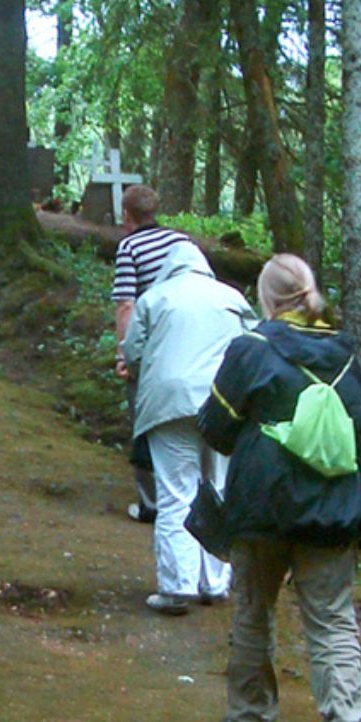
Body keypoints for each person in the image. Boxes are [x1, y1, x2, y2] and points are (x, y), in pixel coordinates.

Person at [196, 253, 361, 722]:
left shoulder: (250, 349)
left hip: (261, 506)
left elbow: (215, 425)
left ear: (267, 297)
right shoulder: (344, 353)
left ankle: (249, 719)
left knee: (253, 611)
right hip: (332, 506)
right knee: (331, 617)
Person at [121, 242, 254, 615]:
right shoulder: (232, 298)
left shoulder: (154, 297)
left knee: (176, 492)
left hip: (169, 404)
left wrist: (136, 365)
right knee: (218, 488)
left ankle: (177, 586)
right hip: (223, 402)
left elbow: (132, 351)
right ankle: (214, 583)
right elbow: (254, 345)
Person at [110, 184, 196, 523]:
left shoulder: (129, 246)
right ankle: (188, 497)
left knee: (143, 419)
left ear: (126, 215)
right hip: (188, 340)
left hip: (151, 345)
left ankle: (152, 503)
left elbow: (126, 304)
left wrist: (124, 356)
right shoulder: (182, 243)